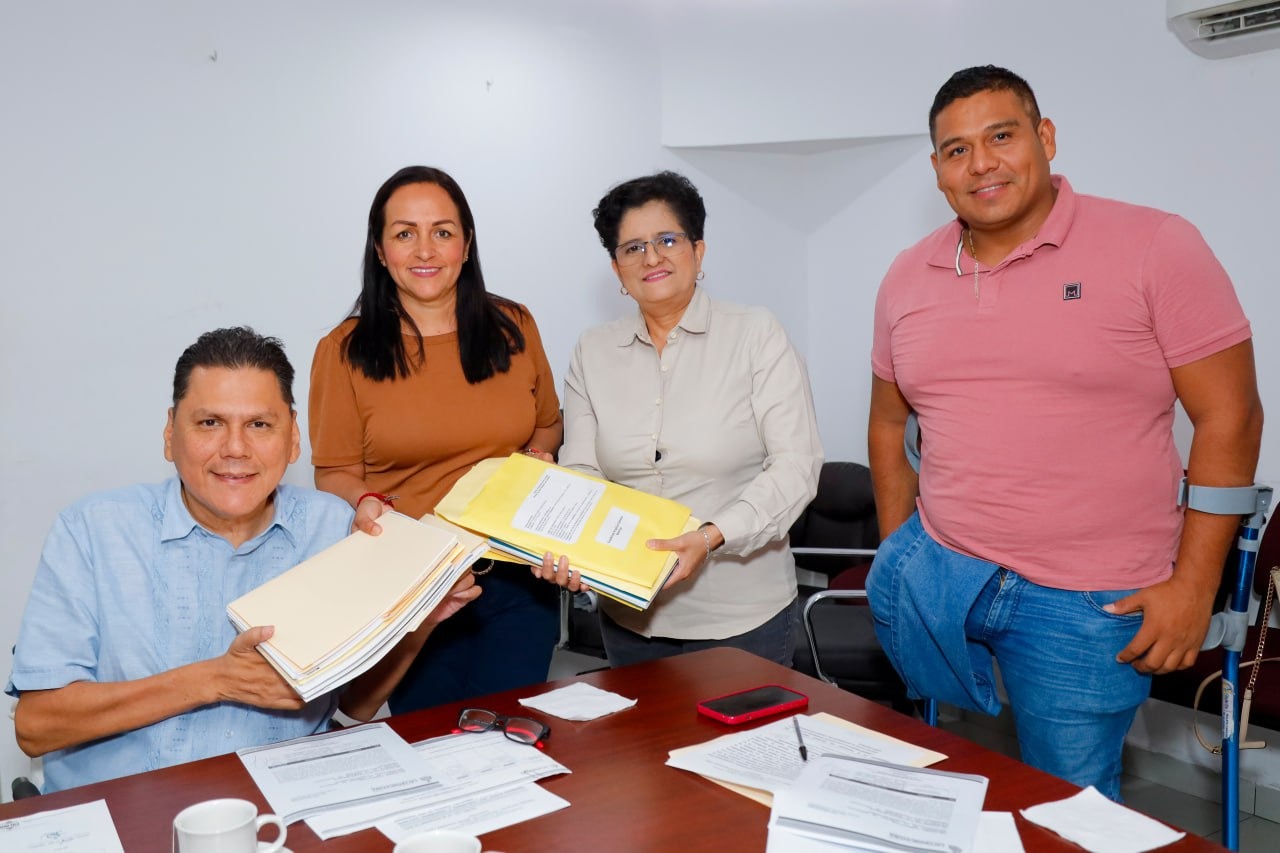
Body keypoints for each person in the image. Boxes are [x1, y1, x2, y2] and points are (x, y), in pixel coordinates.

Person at [866, 65, 1263, 799]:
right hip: (943, 570)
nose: (980, 163)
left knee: (1069, 809)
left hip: (1086, 597)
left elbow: (1231, 415)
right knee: (934, 780)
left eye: (1001, 136)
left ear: (1044, 137)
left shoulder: (1155, 245)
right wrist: (899, 553)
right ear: (937, 170)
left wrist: (1193, 586)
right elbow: (890, 423)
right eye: (957, 150)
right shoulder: (905, 275)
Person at [5, 327, 479, 793]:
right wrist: (214, 680)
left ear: (293, 437)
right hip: (130, 809)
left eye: (259, 425)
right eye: (210, 423)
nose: (235, 449)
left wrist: (418, 621)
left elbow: (355, 703)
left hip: (289, 805)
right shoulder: (92, 530)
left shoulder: (334, 527)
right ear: (170, 433)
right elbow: (36, 726)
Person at [534, 171, 823, 667]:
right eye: (633, 248)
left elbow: (796, 467)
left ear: (698, 250)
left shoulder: (756, 334)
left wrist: (709, 537)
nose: (651, 258)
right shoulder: (592, 351)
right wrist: (565, 544)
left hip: (742, 619)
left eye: (667, 240)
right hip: (630, 616)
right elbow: (583, 472)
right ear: (616, 268)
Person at [309, 166, 563, 713]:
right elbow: (333, 472)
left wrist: (535, 462)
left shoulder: (515, 325)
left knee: (515, 735)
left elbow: (548, 425)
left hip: (519, 582)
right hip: (415, 587)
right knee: (429, 742)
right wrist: (363, 500)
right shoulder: (343, 351)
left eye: (442, 232)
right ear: (380, 250)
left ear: (466, 245)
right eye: (405, 233)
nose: (425, 250)